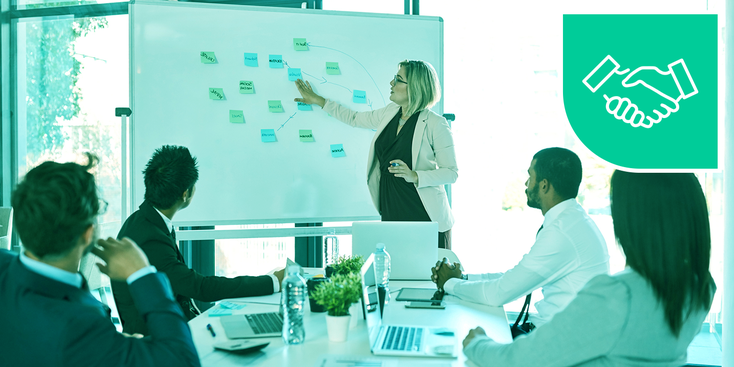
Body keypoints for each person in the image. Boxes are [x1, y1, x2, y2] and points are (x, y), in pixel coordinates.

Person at [462, 171, 717, 366]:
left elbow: (521, 360)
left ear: (637, 222)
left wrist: (478, 343)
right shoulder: (701, 286)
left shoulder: (618, 296)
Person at [0, 154, 200, 367]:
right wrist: (142, 274)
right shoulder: (81, 327)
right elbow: (183, 360)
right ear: (88, 233)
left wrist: (113, 347)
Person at [112, 145, 285, 336]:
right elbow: (199, 287)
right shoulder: (149, 237)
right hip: (157, 341)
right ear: (185, 193)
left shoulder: (146, 221)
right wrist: (273, 282)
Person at [431, 147, 610, 328]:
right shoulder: (573, 221)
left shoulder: (562, 232)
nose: (526, 184)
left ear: (544, 185)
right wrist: (463, 277)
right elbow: (516, 277)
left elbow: (498, 294)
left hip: (557, 343)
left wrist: (450, 283)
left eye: (530, 176)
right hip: (556, 334)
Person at [294, 59, 457, 249]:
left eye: (398, 79)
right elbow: (355, 118)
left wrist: (415, 175)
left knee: (429, 275)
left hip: (423, 212)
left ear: (415, 86)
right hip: (392, 206)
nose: (391, 83)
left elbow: (451, 172)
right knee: (397, 270)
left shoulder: (435, 123)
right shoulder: (390, 112)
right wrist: (318, 101)